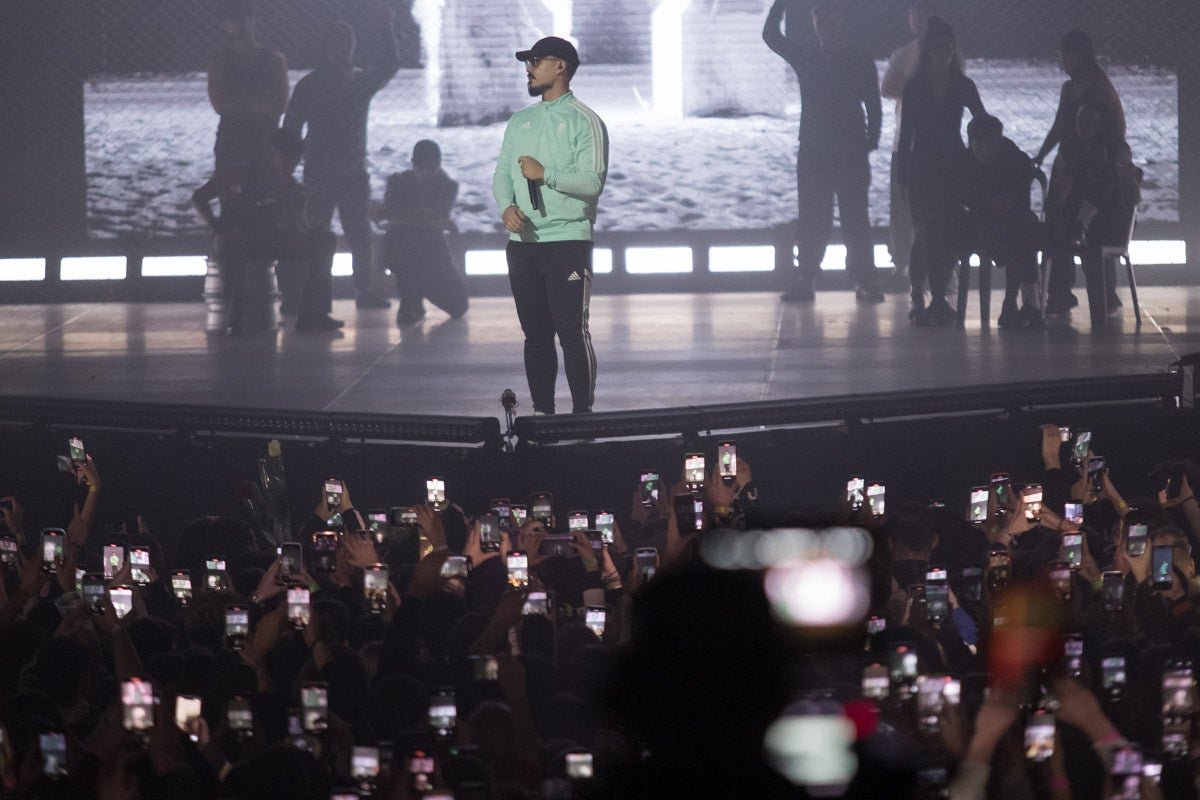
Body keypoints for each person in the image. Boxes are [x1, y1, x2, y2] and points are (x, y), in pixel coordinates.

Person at [491, 36, 609, 416]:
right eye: (527, 61)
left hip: (567, 242)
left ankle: (581, 415)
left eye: (536, 60)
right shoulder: (521, 120)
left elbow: (592, 182)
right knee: (536, 336)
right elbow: (503, 173)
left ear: (560, 66)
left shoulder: (584, 120)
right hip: (522, 244)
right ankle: (543, 414)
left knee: (572, 334)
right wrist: (506, 206)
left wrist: (546, 174)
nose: (528, 67)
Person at [763, 0, 884, 304]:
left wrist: (871, 138)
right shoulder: (827, 56)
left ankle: (849, 278)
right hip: (825, 148)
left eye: (829, 19)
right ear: (816, 22)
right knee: (819, 216)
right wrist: (871, 137)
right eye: (820, 19)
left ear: (839, 21)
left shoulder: (828, 57)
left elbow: (873, 102)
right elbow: (770, 36)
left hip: (838, 147)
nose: (825, 25)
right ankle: (816, 276)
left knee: (850, 216)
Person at [283, 2, 401, 312]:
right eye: (336, 43)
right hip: (323, 173)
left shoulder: (352, 82)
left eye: (346, 44)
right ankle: (314, 292)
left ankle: (361, 289)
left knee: (357, 234)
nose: (342, 49)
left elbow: (390, 66)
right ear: (325, 48)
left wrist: (387, 29)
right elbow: (291, 131)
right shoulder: (320, 85)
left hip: (347, 172)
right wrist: (287, 172)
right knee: (320, 234)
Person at [192, 128, 342, 334]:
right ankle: (234, 317)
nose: (290, 166)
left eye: (295, 161)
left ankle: (314, 313)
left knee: (324, 241)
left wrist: (293, 213)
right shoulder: (242, 174)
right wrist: (217, 226)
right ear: (273, 153)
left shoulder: (291, 185)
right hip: (239, 237)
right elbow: (199, 197)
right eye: (286, 159)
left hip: (270, 239)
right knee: (237, 247)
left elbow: (299, 228)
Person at [896, 16, 985, 326]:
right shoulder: (916, 87)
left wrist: (977, 159)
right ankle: (919, 294)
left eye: (948, 47)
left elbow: (981, 124)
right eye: (938, 47)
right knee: (922, 232)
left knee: (941, 230)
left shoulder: (962, 85)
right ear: (929, 50)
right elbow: (905, 134)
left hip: (950, 166)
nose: (943, 53)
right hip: (924, 166)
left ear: (953, 49)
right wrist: (901, 175)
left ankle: (935, 296)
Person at [1034, 30, 1128, 315]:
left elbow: (1115, 134)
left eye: (1069, 54)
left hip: (1094, 167)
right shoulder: (1070, 89)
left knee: (1090, 217)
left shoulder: (1099, 87)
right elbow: (1060, 125)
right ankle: (1061, 293)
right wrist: (1042, 154)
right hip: (1072, 164)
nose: (1064, 60)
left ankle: (1102, 290)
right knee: (1059, 219)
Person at [958, 114, 1043, 329]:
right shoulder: (970, 161)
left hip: (1005, 219)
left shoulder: (1016, 161)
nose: (982, 152)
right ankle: (1024, 301)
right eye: (978, 147)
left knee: (1018, 230)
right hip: (989, 221)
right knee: (1021, 234)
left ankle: (1014, 303)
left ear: (998, 142)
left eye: (986, 146)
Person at [879, 0, 937, 294]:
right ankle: (901, 268)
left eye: (923, 14)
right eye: (915, 14)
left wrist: (909, 85)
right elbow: (887, 87)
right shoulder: (904, 53)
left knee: (931, 209)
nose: (919, 19)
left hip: (935, 145)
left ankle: (932, 267)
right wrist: (920, 87)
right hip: (905, 142)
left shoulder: (945, 52)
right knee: (900, 209)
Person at [380, 140, 469, 326]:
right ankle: (411, 297)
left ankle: (414, 293)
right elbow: (433, 220)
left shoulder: (447, 186)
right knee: (404, 242)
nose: (426, 173)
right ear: (413, 163)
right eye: (422, 167)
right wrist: (426, 219)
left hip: (432, 255)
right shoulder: (398, 183)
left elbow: (394, 215)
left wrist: (407, 216)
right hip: (407, 250)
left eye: (431, 168)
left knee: (459, 306)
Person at [206, 0, 288, 181]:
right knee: (232, 204)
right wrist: (258, 100)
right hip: (232, 144)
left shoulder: (274, 60)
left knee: (265, 203)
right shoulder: (219, 60)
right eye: (231, 21)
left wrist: (238, 101)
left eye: (242, 18)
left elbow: (280, 106)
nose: (237, 25)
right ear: (224, 25)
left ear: (253, 20)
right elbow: (220, 105)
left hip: (264, 143)